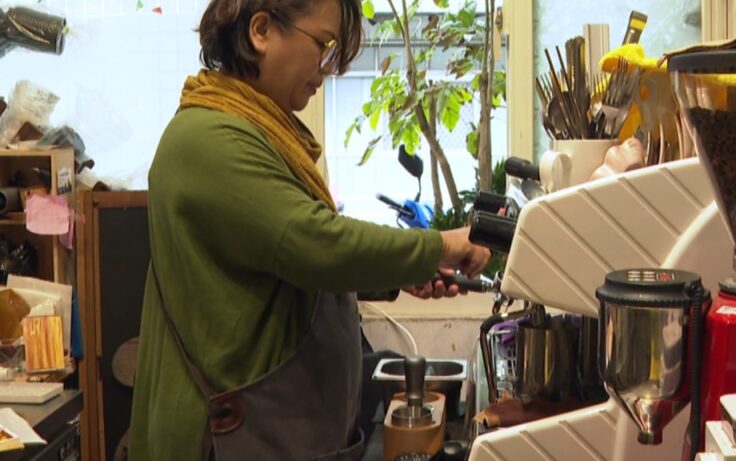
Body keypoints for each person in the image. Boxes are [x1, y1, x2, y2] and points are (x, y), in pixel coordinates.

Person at [128, 0, 492, 459]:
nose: (330, 68)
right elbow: (315, 243)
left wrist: (400, 274)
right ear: (261, 30)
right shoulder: (208, 138)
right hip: (228, 440)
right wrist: (442, 245)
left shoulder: (257, 130)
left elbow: (287, 265)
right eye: (323, 45)